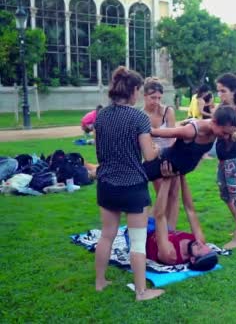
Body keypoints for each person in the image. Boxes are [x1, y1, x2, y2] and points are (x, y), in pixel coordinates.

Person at [93, 66, 164, 301]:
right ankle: (141, 292)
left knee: (106, 236)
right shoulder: (139, 118)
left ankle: (100, 282)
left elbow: (99, 150)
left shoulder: (101, 115)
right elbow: (149, 156)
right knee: (137, 241)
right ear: (134, 90)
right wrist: (155, 148)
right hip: (133, 186)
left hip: (107, 184)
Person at [143, 106, 236, 182]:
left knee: (172, 199)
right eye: (224, 133)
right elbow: (155, 132)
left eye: (229, 133)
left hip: (176, 171)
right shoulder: (191, 131)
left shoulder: (217, 129)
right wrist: (137, 123)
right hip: (159, 165)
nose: (226, 137)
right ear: (214, 122)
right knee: (137, 187)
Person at [145, 175, 218, 271]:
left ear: (192, 259)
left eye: (199, 248)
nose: (199, 243)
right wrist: (183, 176)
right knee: (174, 194)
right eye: (205, 245)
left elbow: (160, 216)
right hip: (167, 231)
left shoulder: (170, 255)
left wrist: (166, 179)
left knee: (160, 190)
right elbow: (190, 209)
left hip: (146, 233)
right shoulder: (199, 241)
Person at [215, 73, 236, 250]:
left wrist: (227, 129)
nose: (220, 95)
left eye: (223, 91)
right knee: (224, 195)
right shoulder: (222, 108)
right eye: (218, 91)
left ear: (234, 91)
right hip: (223, 160)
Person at [142, 77, 180, 230]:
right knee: (162, 195)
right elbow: (147, 143)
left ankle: (171, 229)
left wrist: (171, 160)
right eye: (153, 98)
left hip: (171, 154)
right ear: (144, 96)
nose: (156, 101)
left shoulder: (168, 111)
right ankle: (158, 225)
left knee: (174, 194)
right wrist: (158, 157)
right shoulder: (141, 115)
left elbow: (172, 136)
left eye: (159, 97)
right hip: (153, 157)